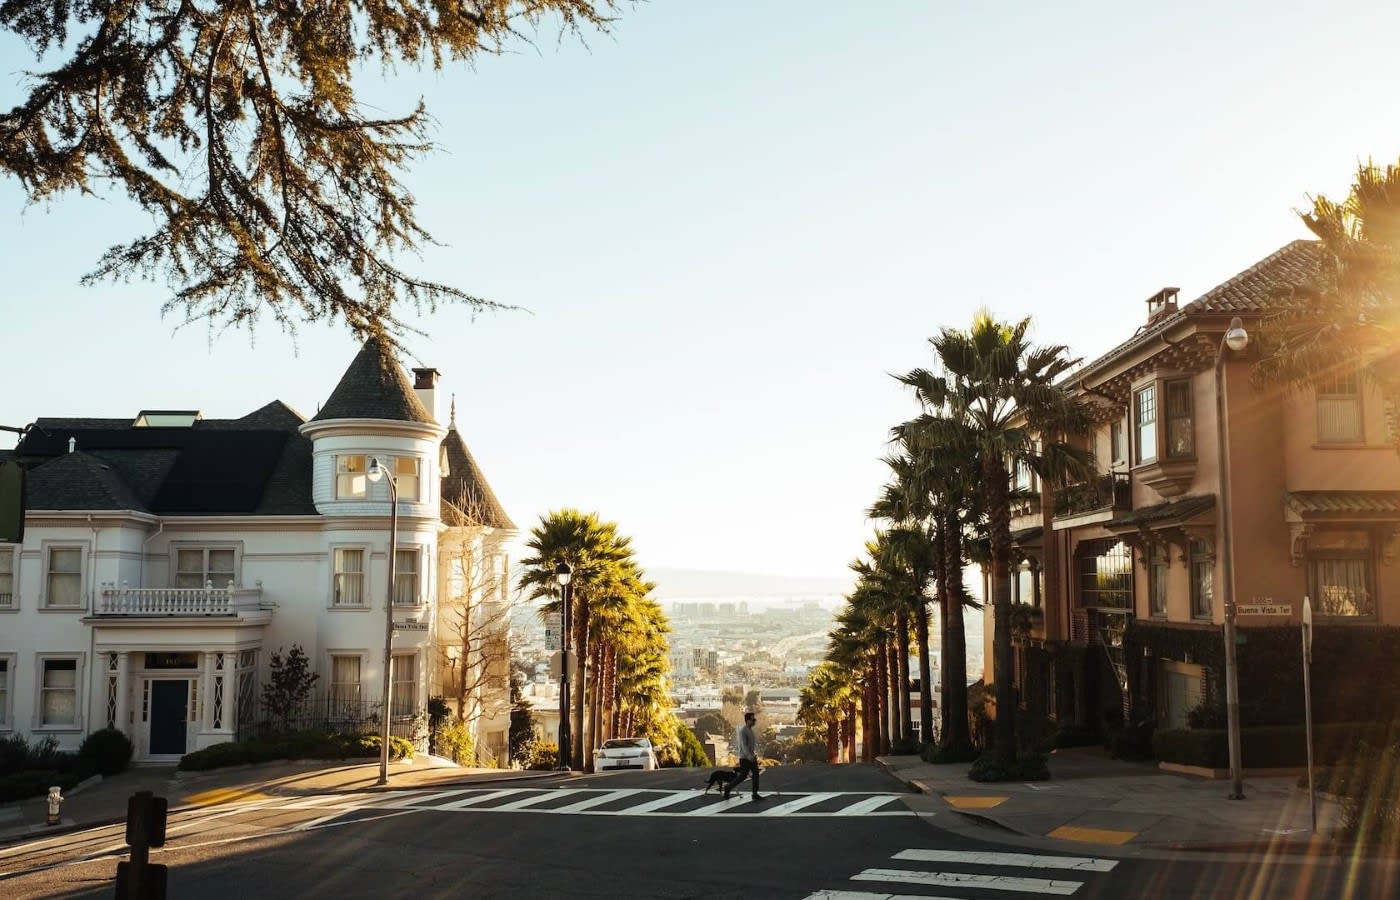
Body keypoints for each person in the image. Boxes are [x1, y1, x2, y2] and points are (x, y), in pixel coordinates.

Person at [723, 711, 763, 801]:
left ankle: (755, 794)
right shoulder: (743, 731)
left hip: (751, 757)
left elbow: (750, 745)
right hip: (745, 758)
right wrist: (749, 756)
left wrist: (753, 754)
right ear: (747, 720)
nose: (754, 721)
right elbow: (744, 745)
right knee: (742, 776)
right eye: (753, 719)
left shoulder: (750, 730)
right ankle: (728, 788)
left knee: (756, 774)